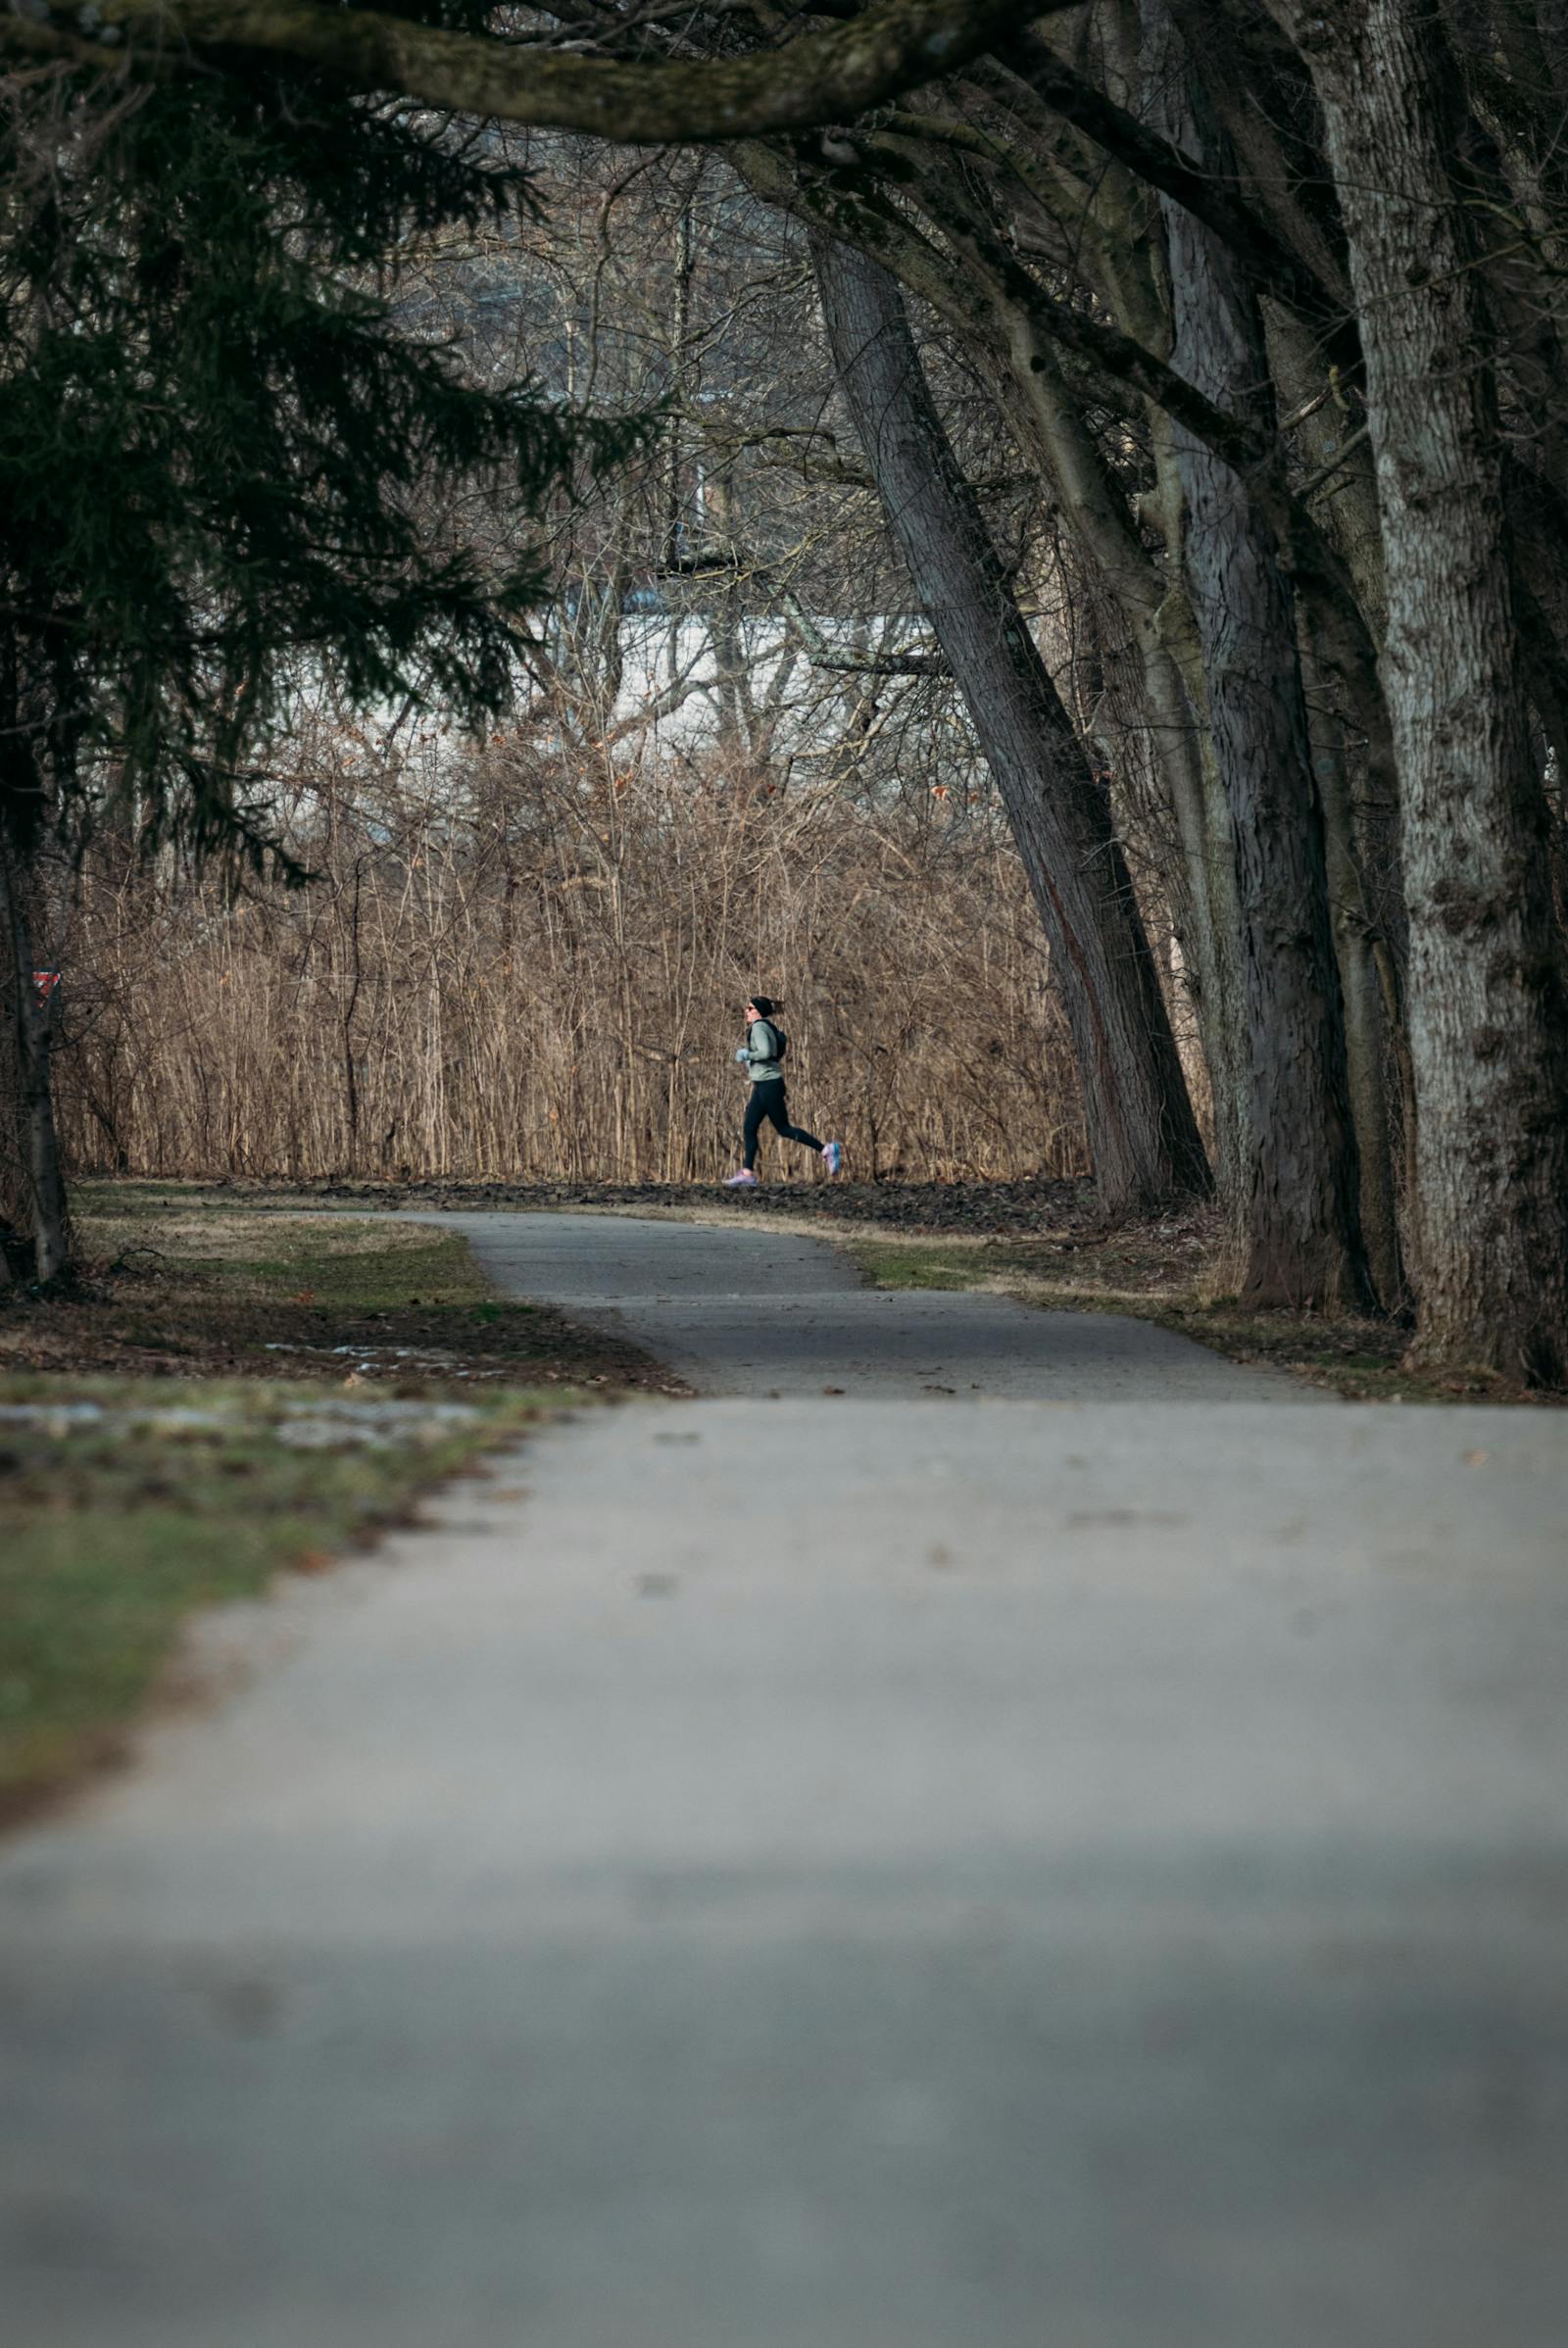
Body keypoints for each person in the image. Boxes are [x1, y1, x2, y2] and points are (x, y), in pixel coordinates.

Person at [723, 994, 843, 1186]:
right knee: (749, 1127)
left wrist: (747, 1054)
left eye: (750, 1008)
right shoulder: (765, 1027)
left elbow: (766, 1052)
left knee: (783, 1128)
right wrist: (749, 1060)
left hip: (769, 1085)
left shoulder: (759, 1027)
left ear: (759, 1011)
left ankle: (826, 1149)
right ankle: (747, 1173)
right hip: (764, 1084)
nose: (746, 1011)